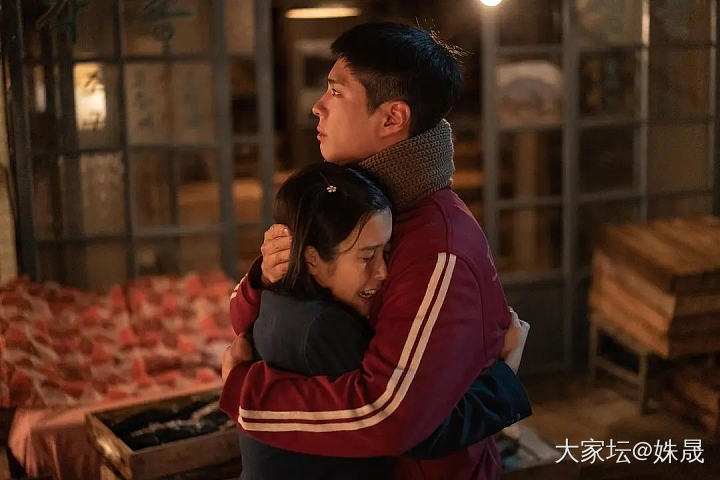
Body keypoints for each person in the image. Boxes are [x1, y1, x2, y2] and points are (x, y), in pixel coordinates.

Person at [221, 22, 531, 479]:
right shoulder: (346, 205)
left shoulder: (437, 248)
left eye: (336, 92)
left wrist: (246, 394)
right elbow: (247, 322)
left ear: (391, 118)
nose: (317, 106)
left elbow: (389, 415)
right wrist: (263, 277)